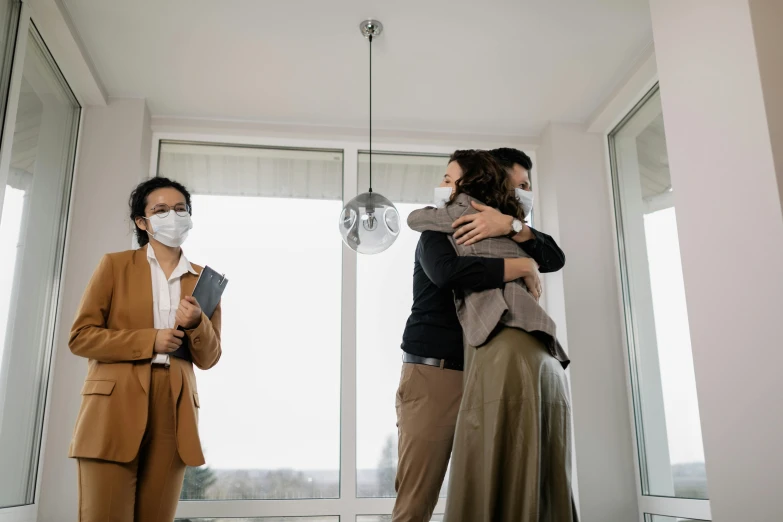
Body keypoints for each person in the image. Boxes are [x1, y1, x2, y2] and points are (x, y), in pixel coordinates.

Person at [392, 149, 565, 522]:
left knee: (485, 494)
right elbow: (446, 273)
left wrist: (511, 227)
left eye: (449, 180)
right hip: (435, 376)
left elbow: (554, 256)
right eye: (518, 185)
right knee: (416, 502)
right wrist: (518, 264)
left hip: (484, 373)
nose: (442, 187)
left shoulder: (502, 232)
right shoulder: (437, 231)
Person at [68, 177, 222, 522]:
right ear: (143, 221)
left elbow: (209, 358)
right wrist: (149, 340)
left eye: (181, 209)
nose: (173, 216)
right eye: (161, 210)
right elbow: (81, 337)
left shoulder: (202, 280)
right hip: (112, 407)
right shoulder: (115, 265)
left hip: (175, 408)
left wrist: (198, 323)